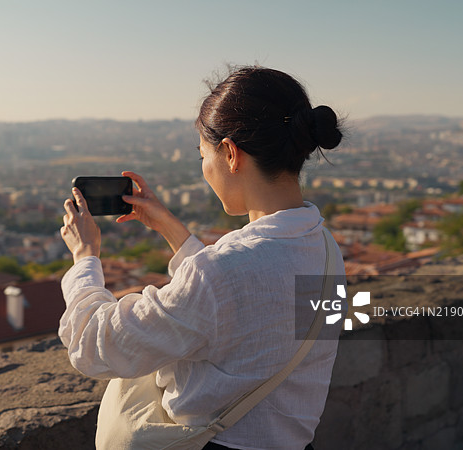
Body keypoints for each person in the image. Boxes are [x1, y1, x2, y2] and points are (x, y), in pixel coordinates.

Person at [58, 66, 346, 450]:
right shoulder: (326, 251)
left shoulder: (224, 274)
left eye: (203, 155)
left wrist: (84, 260)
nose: (204, 171)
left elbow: (95, 346)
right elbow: (244, 309)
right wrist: (170, 229)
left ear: (230, 153)